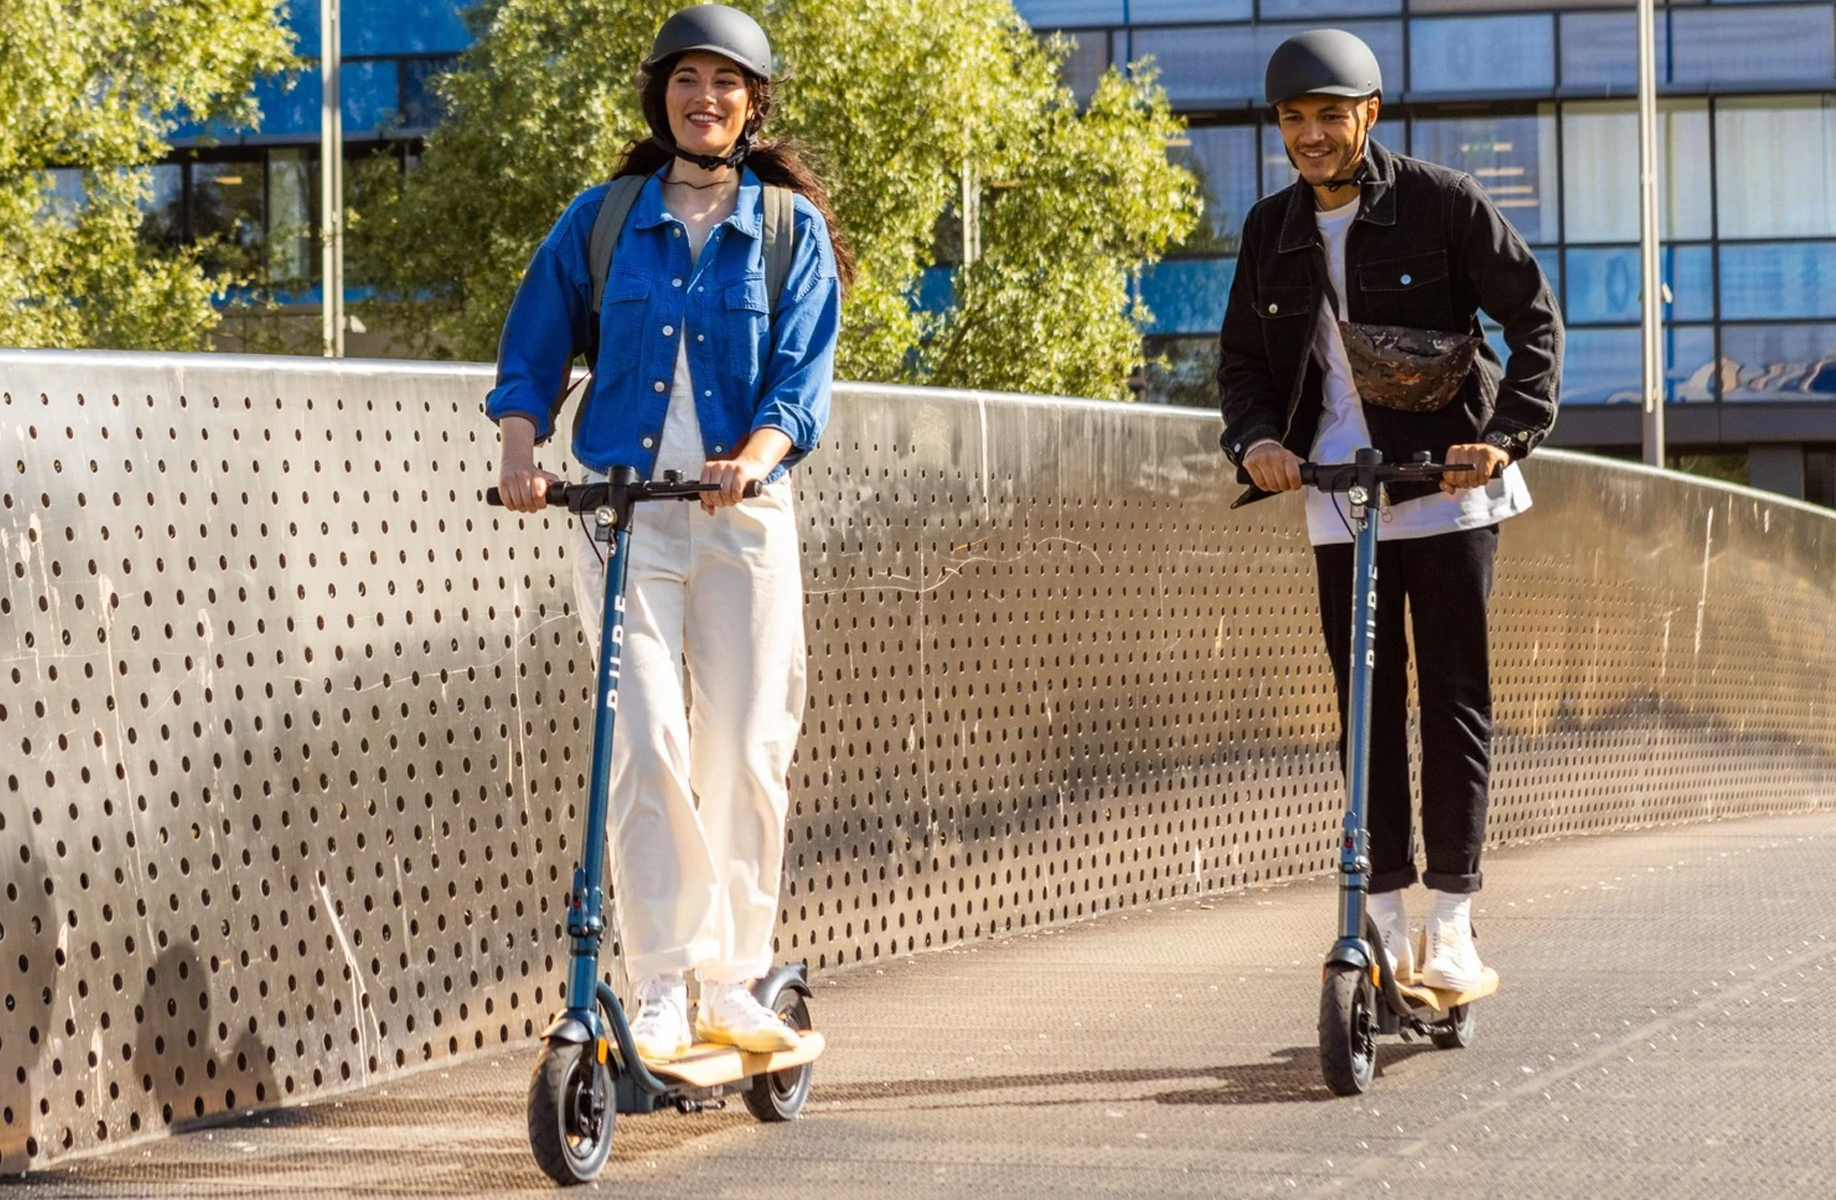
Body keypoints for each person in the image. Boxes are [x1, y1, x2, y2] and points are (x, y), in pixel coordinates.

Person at [486, 4, 850, 1059]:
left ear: (752, 104)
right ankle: (660, 981)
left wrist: (757, 457)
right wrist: (521, 449)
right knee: (643, 747)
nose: (706, 99)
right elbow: (535, 344)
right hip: (623, 514)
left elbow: (802, 378)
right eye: (688, 80)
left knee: (742, 751)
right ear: (662, 96)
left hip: (742, 517)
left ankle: (732, 976)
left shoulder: (788, 230)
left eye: (726, 83)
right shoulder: (602, 219)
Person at [1216, 29, 1563, 992]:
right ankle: (1378, 918)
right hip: (1341, 491)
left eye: (1332, 115)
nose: (1312, 135)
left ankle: (1452, 926)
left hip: (1448, 486)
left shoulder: (1443, 204)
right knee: (1365, 707)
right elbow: (1243, 362)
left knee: (1452, 699)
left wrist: (1506, 434)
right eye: (1295, 119)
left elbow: (1532, 317)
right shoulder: (1270, 229)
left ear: (1370, 115)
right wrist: (1258, 444)